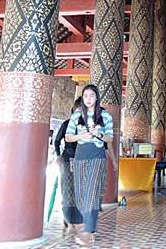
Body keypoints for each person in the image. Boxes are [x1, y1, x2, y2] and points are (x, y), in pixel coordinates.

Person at [65, 84, 114, 246]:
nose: (88, 99)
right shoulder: (77, 115)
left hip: (97, 156)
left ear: (96, 97)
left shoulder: (104, 115)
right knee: (80, 194)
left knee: (91, 193)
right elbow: (67, 137)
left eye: (91, 96)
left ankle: (88, 230)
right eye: (85, 96)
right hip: (80, 156)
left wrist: (97, 134)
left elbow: (110, 138)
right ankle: (88, 228)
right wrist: (82, 135)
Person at [53, 97, 84, 235]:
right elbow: (57, 141)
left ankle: (78, 218)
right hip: (68, 159)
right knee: (67, 189)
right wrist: (59, 155)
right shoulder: (66, 124)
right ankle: (68, 218)